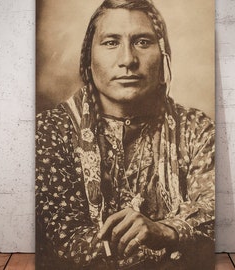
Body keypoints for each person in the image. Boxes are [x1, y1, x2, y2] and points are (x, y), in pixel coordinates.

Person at [36, 0, 215, 269]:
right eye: (111, 42)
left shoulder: (195, 129)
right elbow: (67, 242)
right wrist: (172, 242)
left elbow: (216, 209)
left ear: (163, 54)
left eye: (143, 42)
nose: (128, 60)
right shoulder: (50, 131)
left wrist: (165, 231)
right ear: (88, 57)